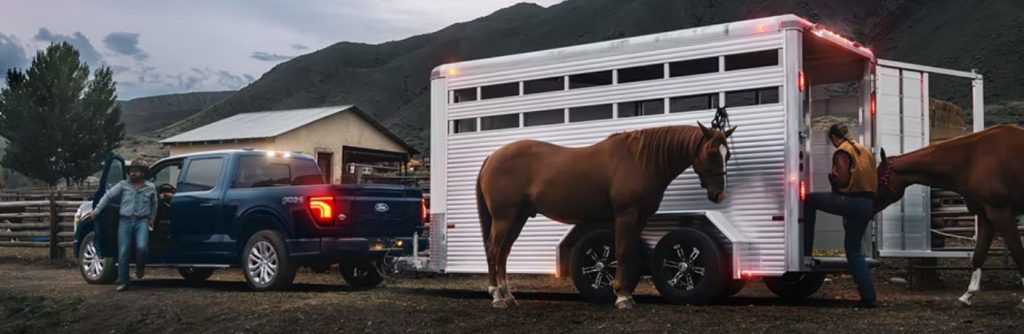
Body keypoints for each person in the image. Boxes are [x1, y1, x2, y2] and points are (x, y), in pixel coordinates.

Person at [803, 123, 878, 308]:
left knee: (809, 200)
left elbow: (842, 179)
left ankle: (805, 251)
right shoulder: (865, 150)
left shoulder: (842, 151)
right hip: (867, 204)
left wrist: (833, 179)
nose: (833, 144)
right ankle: (868, 297)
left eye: (832, 140)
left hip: (850, 201)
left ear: (835, 137)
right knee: (853, 250)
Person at [89, 160, 157, 291]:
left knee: (142, 247)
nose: (133, 173)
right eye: (131, 171)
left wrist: (152, 218)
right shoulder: (123, 185)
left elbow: (154, 204)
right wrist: (96, 211)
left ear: (142, 173)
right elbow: (108, 196)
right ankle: (123, 281)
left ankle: (139, 267)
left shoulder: (150, 187)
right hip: (125, 221)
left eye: (136, 171)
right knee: (123, 251)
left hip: (142, 221)